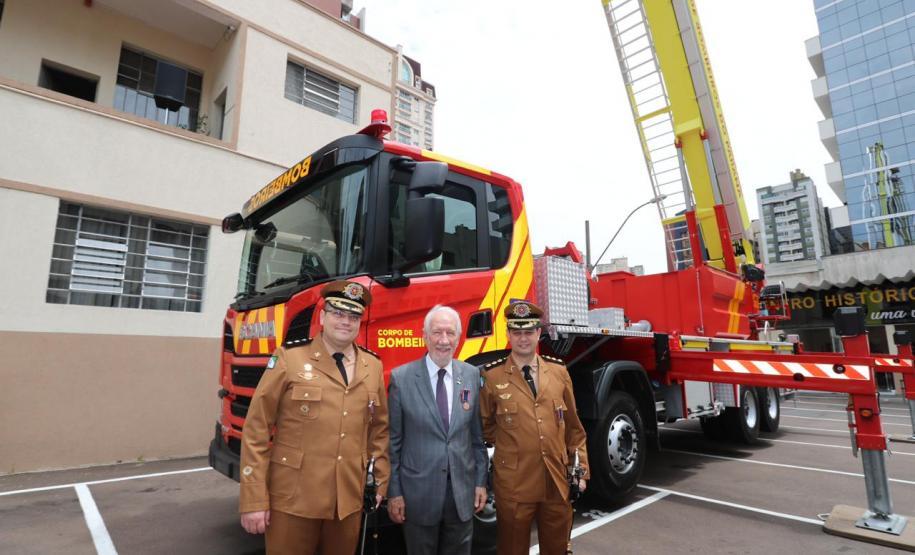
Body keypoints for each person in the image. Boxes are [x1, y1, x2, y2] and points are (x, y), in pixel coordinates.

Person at [239, 279, 389, 555]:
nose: (346, 322)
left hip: (348, 501)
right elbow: (256, 429)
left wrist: (379, 481)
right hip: (294, 499)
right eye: (338, 313)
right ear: (323, 316)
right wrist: (253, 499)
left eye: (354, 316)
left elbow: (379, 430)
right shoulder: (289, 358)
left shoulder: (373, 366)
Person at [480, 300, 589, 555]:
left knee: (557, 548)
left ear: (539, 333)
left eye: (528, 332)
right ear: (507, 334)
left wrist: (580, 470)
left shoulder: (559, 371)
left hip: (556, 479)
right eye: (516, 332)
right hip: (514, 484)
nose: (523, 339)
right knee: (512, 548)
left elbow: (574, 427)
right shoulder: (492, 376)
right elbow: (485, 428)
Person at [387, 305, 488, 555]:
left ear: (459, 337)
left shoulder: (472, 375)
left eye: (450, 333)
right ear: (424, 335)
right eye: (437, 333)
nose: (444, 340)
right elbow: (393, 443)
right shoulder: (402, 378)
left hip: (462, 496)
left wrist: (480, 482)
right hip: (417, 497)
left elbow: (477, 438)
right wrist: (394, 493)